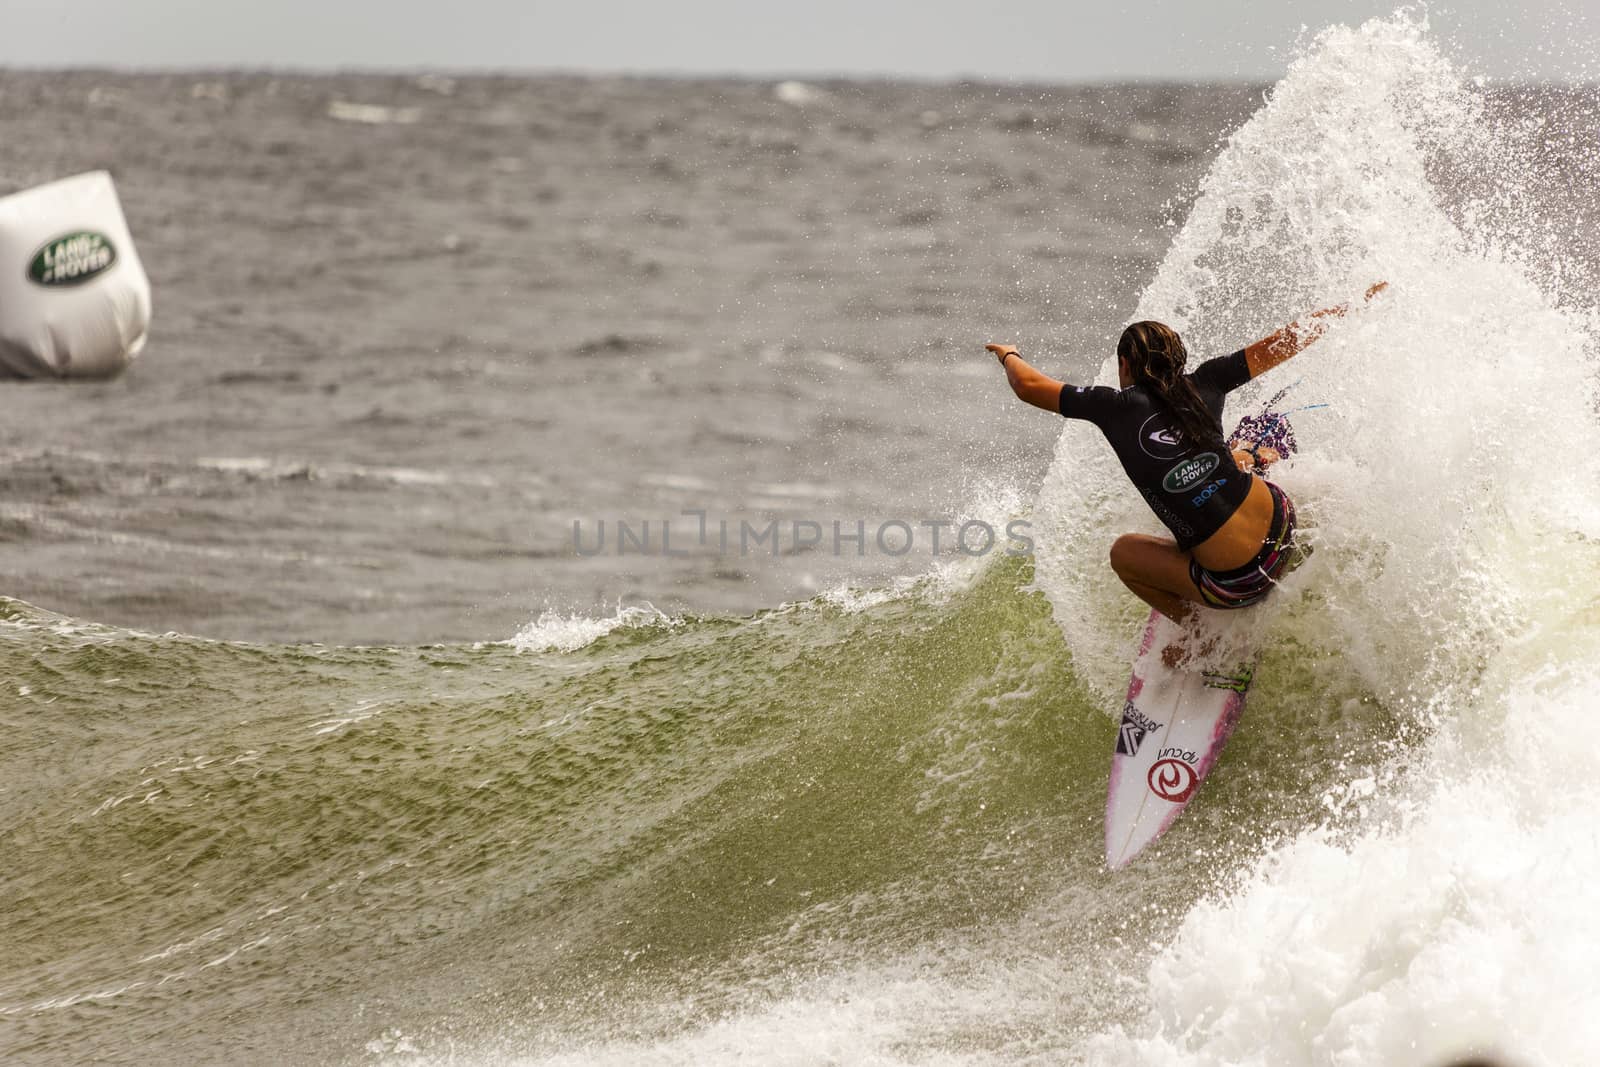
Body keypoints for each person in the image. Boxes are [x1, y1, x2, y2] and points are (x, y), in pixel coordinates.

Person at [986, 283, 1385, 624]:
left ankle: (1198, 635)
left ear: (1124, 365)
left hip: (1240, 583)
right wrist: (1351, 304)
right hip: (1283, 524)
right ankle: (1259, 455)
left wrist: (1008, 352)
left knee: (1123, 554)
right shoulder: (1209, 380)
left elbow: (1027, 385)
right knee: (1227, 456)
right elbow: (1285, 341)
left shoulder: (1110, 406)